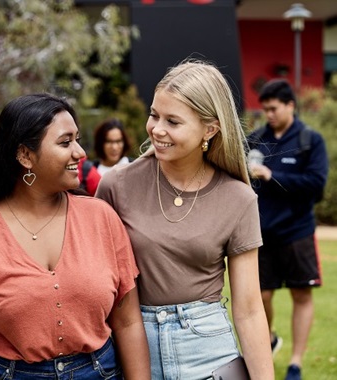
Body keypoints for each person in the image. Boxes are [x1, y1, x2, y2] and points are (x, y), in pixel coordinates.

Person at [0, 93, 150, 379]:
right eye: (65, 142)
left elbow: (128, 323)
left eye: (77, 139)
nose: (80, 153)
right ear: (25, 155)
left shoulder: (102, 218)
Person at [96, 60, 275, 379]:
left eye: (173, 121)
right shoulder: (117, 186)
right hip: (134, 348)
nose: (156, 129)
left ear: (210, 129)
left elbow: (248, 310)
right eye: (154, 115)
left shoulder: (239, 199)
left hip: (209, 351)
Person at [248, 79, 328, 380]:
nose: (268, 114)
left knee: (301, 295)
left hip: (297, 232)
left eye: (273, 108)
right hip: (261, 233)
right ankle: (268, 340)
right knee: (261, 297)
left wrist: (273, 176)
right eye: (264, 109)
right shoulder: (256, 140)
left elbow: (316, 186)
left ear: (290, 105)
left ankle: (295, 363)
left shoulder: (310, 140)